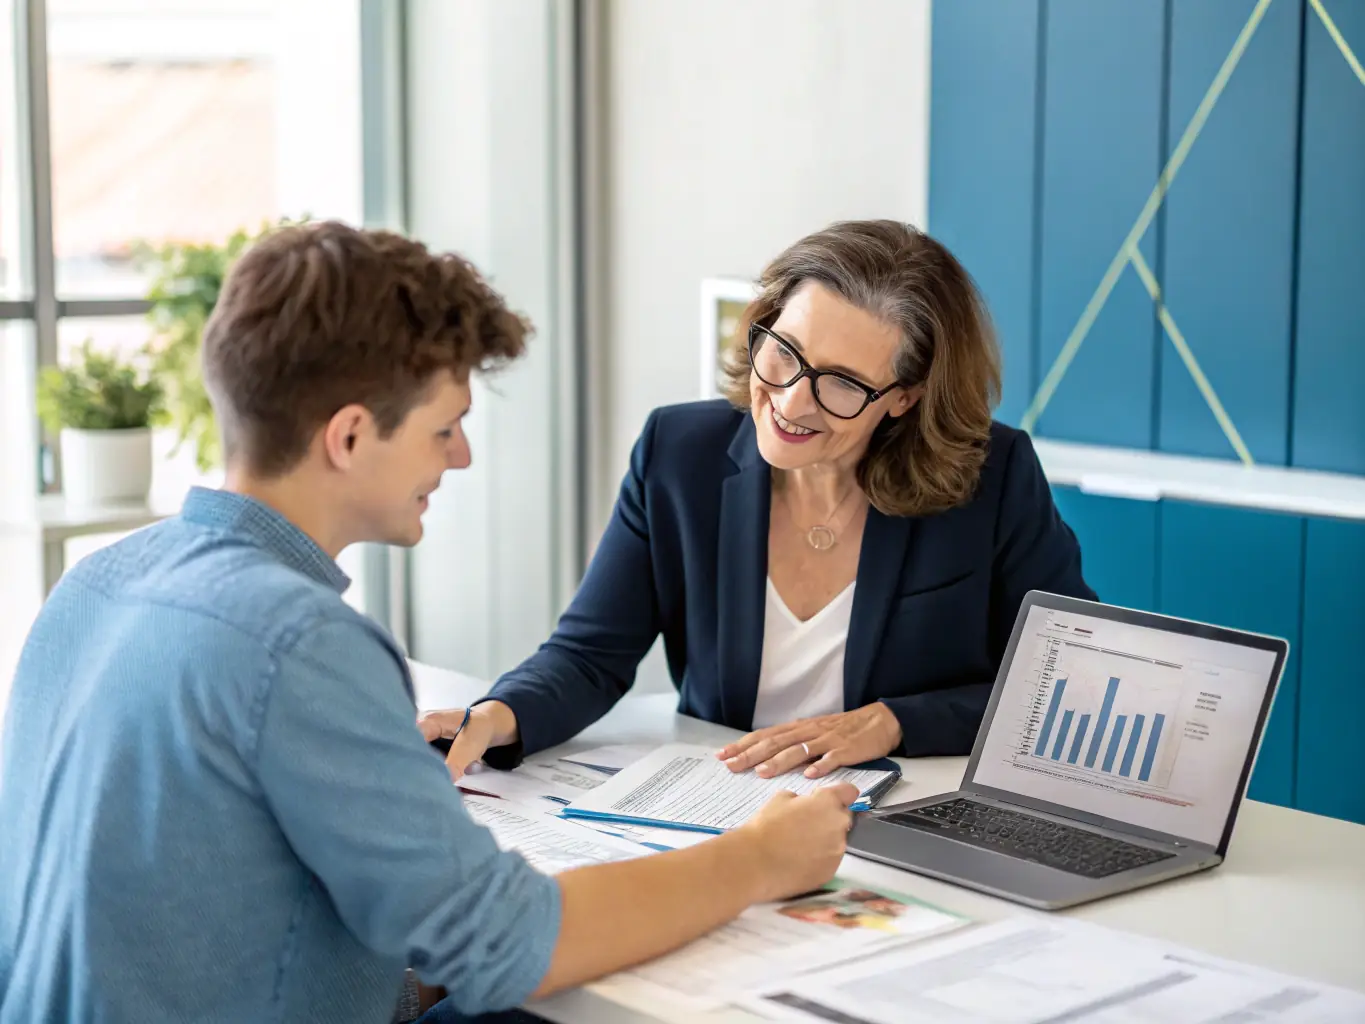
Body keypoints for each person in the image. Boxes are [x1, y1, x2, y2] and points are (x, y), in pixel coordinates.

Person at [0, 222, 858, 1024]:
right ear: (348, 436)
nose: (460, 456)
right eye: (443, 428)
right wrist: (759, 859)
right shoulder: (299, 643)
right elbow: (513, 946)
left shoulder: (98, 583)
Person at [422, 219, 1096, 784]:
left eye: (841, 384)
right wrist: (494, 716)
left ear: (903, 397)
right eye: (786, 353)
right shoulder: (677, 452)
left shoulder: (992, 476)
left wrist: (893, 722)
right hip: (727, 804)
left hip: (907, 809)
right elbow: (590, 654)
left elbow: (1068, 682)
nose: (791, 402)